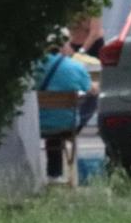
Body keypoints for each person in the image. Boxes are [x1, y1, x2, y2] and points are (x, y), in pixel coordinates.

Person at [32, 28, 97, 181]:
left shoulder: (35, 67)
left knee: (52, 116)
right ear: (64, 45)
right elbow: (91, 90)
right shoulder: (76, 67)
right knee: (92, 100)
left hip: (37, 123)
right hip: (67, 125)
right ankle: (55, 174)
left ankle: (53, 174)